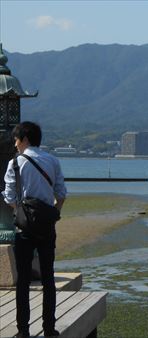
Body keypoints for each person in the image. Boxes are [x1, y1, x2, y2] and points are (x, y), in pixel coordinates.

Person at [2, 121, 67, 338]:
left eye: (16, 139)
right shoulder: (53, 160)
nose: (15, 143)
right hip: (47, 228)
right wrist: (53, 214)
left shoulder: (15, 163)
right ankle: (49, 328)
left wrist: (23, 213)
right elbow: (61, 194)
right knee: (48, 278)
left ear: (25, 139)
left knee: (23, 280)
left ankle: (23, 330)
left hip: (24, 230)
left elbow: (10, 197)